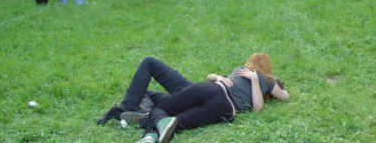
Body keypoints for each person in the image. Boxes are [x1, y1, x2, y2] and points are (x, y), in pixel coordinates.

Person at [97, 54, 288, 143]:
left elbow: (271, 101)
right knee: (157, 101)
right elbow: (213, 79)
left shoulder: (260, 78)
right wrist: (217, 76)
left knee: (166, 111)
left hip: (206, 93)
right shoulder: (242, 73)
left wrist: (254, 80)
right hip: (205, 92)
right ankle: (143, 117)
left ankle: (144, 116)